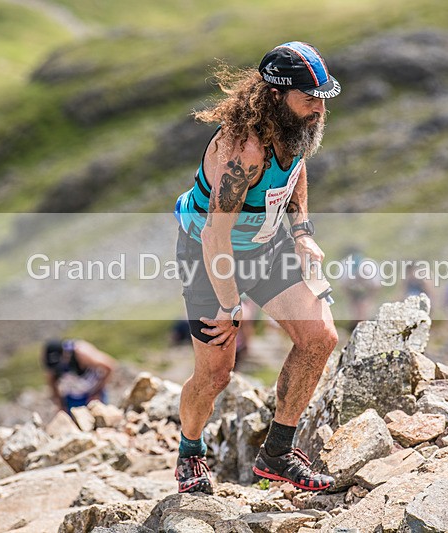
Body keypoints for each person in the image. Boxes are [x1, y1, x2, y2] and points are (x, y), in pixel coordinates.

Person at [172, 41, 341, 494]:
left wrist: (302, 231)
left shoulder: (296, 126)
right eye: (309, 99)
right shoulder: (242, 150)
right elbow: (214, 237)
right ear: (275, 96)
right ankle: (190, 449)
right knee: (215, 374)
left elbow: (296, 170)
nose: (319, 109)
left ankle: (277, 454)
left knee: (319, 337)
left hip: (263, 247)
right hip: (207, 256)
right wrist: (231, 305)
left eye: (323, 97)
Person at [43, 339, 117, 413]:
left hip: (93, 392)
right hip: (73, 397)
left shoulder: (81, 352)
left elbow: (109, 366)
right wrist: (61, 403)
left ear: (64, 353)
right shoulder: (51, 364)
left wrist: (97, 392)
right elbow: (51, 381)